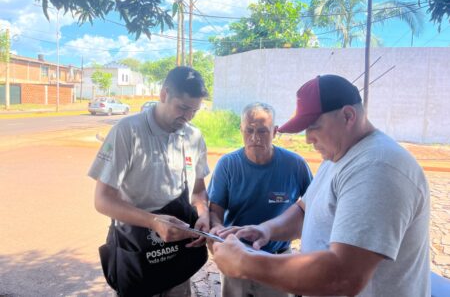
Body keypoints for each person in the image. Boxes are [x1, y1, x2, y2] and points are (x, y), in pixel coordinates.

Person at [211, 74, 430, 297]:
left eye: (314, 127)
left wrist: (247, 263)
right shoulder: (337, 157)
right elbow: (305, 211)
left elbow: (344, 275)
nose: (307, 139)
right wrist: (266, 230)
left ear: (348, 116)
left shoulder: (378, 167)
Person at [89, 66, 210, 297]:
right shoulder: (127, 131)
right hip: (136, 252)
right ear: (164, 94)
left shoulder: (194, 136)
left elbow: (198, 192)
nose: (187, 118)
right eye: (183, 108)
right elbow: (102, 200)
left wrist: (203, 214)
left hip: (178, 253)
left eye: (194, 111)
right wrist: (154, 222)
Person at [208, 102, 312, 297]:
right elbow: (215, 210)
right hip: (238, 259)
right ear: (241, 130)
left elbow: (314, 207)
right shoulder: (227, 165)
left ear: (274, 132)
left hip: (277, 261)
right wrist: (217, 228)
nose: (255, 137)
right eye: (249, 130)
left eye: (262, 131)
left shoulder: (295, 165)